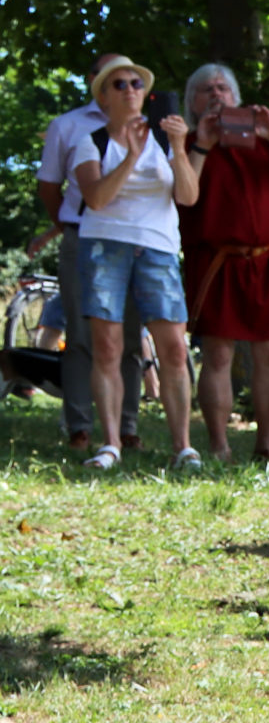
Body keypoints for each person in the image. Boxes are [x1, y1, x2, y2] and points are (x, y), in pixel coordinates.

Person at [67, 56, 202, 471]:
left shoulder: (165, 139)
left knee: (174, 349)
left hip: (158, 248)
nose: (131, 90)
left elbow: (188, 196)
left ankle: (183, 447)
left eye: (136, 84)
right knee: (107, 347)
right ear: (104, 97)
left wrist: (178, 148)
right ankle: (111, 445)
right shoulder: (91, 142)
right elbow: (97, 199)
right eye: (120, 84)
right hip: (105, 247)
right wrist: (131, 157)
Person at [179, 63, 269, 464]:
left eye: (223, 87)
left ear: (237, 97)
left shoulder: (266, 140)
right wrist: (202, 144)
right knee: (218, 355)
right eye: (206, 89)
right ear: (192, 102)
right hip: (217, 261)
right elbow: (182, 194)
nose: (217, 94)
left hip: (266, 260)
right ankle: (219, 446)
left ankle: (267, 444)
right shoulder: (187, 142)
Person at [38, 51, 142, 453]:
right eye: (113, 80)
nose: (125, 88)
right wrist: (65, 225)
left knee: (131, 337)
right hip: (82, 238)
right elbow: (49, 186)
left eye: (132, 80)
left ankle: (128, 427)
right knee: (81, 336)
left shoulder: (147, 129)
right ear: (94, 82)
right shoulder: (67, 126)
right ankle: (79, 426)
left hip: (136, 241)